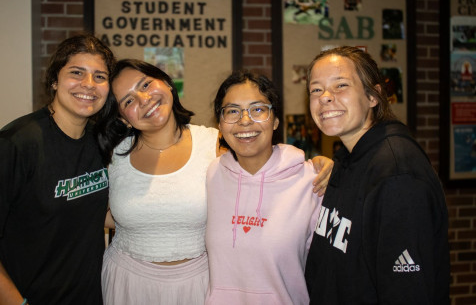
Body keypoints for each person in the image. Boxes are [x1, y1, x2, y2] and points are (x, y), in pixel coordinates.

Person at [95, 59, 333, 305]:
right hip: (128, 283)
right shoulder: (112, 154)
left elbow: (263, 168)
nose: (143, 99)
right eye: (129, 100)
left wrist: (317, 167)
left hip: (198, 285)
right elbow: (91, 210)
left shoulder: (217, 143)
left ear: (167, 83)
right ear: (122, 116)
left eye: (145, 84)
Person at [0, 33, 115, 305]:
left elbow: (95, 213)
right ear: (54, 80)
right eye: (77, 72)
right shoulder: (14, 145)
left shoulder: (99, 141)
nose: (89, 84)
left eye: (100, 76)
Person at [304, 46, 450, 304]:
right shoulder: (348, 160)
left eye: (340, 85)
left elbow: (409, 292)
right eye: (316, 89)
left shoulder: (397, 174)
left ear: (374, 96)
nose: (325, 97)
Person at [204, 72, 323, 304]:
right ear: (220, 123)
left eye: (258, 109)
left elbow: (328, 267)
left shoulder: (312, 180)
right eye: (232, 111)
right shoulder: (212, 175)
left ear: (275, 120)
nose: (245, 120)